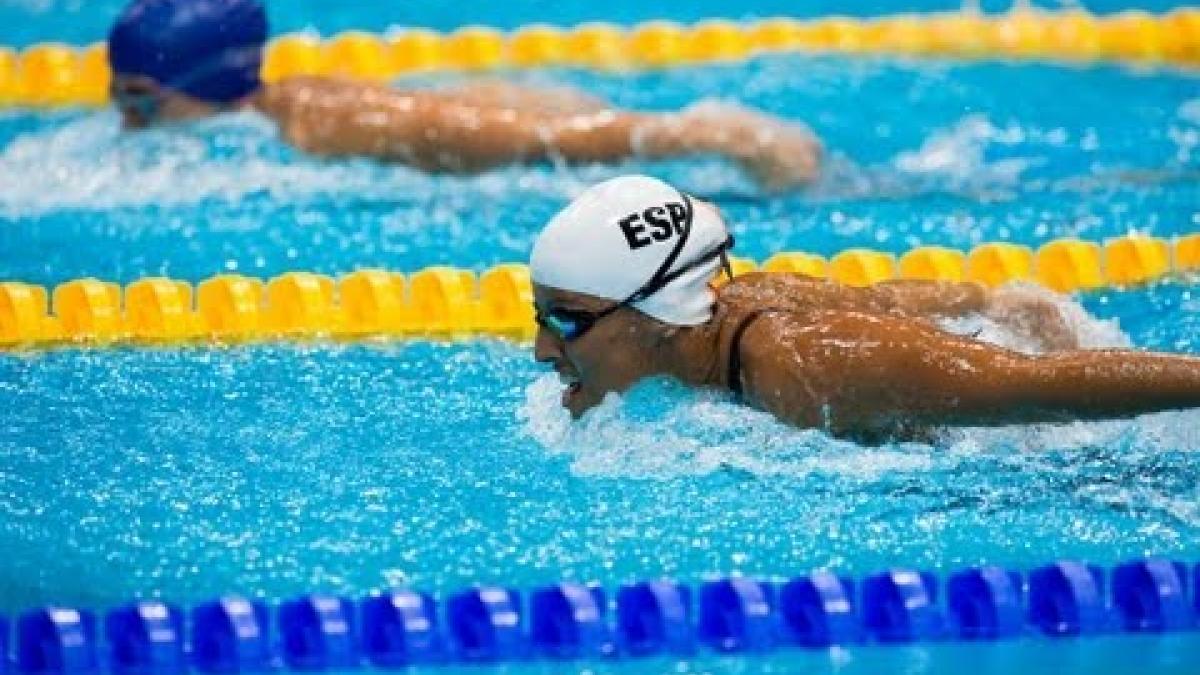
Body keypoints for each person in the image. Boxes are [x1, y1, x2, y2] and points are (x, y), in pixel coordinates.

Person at [530, 175, 1200, 440]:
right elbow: (911, 300)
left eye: (565, 322)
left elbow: (1040, 387)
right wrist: (1004, 303)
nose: (540, 350)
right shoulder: (730, 311)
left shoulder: (811, 365)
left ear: (658, 317)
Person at [106, 0, 822, 191]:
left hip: (564, 125)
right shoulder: (273, 110)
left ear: (207, 82)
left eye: (141, 101)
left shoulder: (329, 124)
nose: (125, 123)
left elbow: (540, 143)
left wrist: (715, 136)